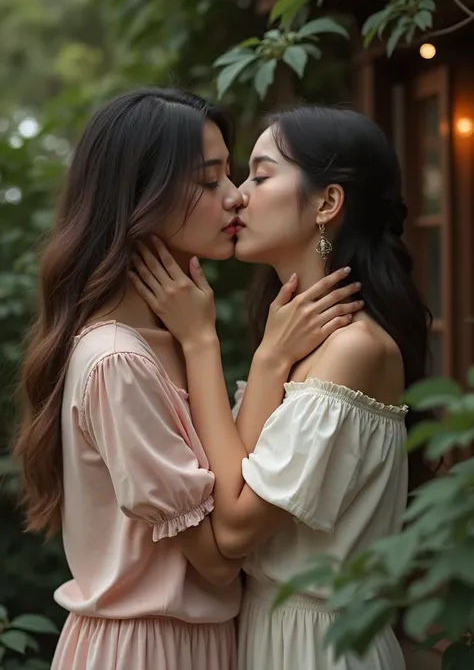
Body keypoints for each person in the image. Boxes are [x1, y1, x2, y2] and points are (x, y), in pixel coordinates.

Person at [13, 90, 363, 670]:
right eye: (210, 181)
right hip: (147, 649)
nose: (235, 199)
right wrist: (266, 360)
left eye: (233, 175)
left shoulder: (168, 339)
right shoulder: (117, 361)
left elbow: (234, 480)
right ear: (140, 197)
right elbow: (219, 558)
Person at [131, 105, 431, 670]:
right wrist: (268, 360)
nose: (239, 195)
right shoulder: (292, 338)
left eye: (260, 175)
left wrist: (200, 343)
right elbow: (238, 475)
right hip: (271, 634)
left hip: (318, 648)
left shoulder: (354, 348)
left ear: (327, 203)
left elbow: (236, 523)